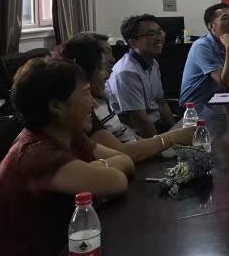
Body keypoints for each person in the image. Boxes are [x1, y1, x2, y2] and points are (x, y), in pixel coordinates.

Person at [0, 59, 133, 256]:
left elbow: (126, 161)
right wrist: (99, 170)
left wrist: (94, 169)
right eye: (85, 94)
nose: (92, 102)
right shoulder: (36, 154)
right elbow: (117, 180)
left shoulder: (68, 135)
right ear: (56, 106)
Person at [60, 35, 195, 162]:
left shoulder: (101, 96)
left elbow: (130, 138)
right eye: (102, 67)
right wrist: (172, 138)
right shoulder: (84, 110)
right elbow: (123, 153)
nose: (108, 73)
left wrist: (163, 143)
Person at [107, 14, 176, 138]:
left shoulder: (152, 63)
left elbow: (161, 103)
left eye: (159, 32)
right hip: (139, 135)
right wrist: (164, 145)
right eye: (151, 34)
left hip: (158, 125)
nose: (159, 38)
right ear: (133, 42)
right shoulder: (126, 72)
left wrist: (175, 129)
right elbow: (140, 121)